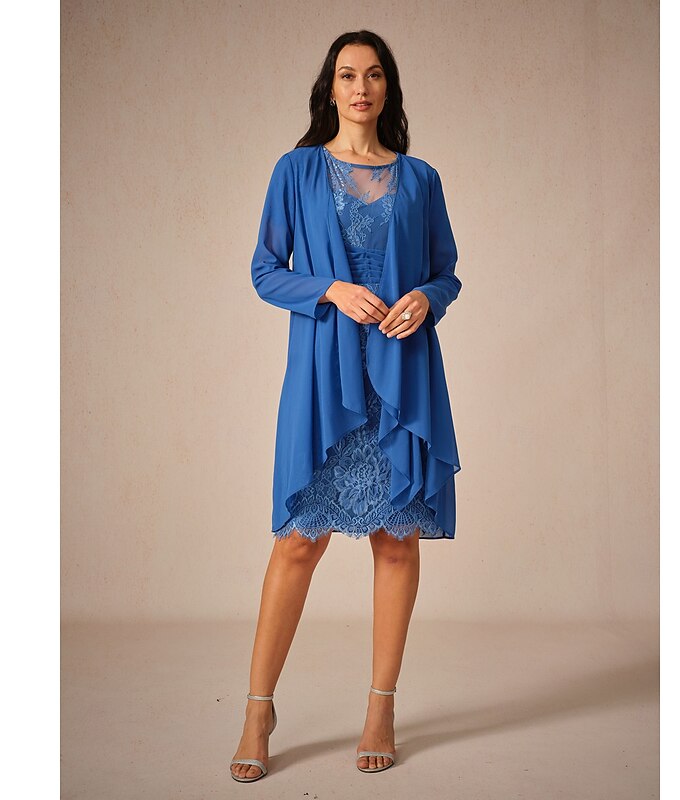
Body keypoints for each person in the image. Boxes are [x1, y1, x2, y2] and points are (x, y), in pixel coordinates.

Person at [230, 29, 462, 782]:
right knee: (299, 542)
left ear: (388, 88)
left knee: (396, 542)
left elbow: (446, 273)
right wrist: (329, 288)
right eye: (347, 75)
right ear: (329, 89)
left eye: (373, 74)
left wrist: (426, 298)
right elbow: (266, 272)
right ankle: (258, 710)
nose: (360, 87)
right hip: (325, 383)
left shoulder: (420, 179)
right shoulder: (296, 170)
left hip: (400, 377)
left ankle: (380, 707)